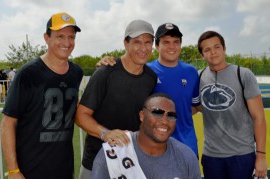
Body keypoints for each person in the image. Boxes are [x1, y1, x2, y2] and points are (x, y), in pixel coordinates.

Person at [97, 23, 201, 156]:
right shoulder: (145, 71)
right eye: (166, 42)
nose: (172, 46)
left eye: (176, 42)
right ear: (157, 46)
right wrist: (107, 62)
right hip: (154, 148)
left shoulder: (191, 72)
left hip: (188, 146)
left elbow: (194, 107)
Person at [1, 12, 83, 179]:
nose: (67, 42)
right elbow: (7, 123)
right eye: (60, 36)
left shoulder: (76, 72)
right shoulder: (28, 73)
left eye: (71, 37)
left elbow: (76, 111)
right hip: (30, 169)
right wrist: (13, 170)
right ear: (46, 38)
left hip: (64, 168)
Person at [75, 19, 157, 179]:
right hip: (97, 161)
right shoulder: (105, 73)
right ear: (126, 44)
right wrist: (105, 133)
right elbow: (80, 115)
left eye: (148, 42)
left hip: (131, 162)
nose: (143, 48)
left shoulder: (151, 78)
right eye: (136, 42)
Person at [197, 30, 268, 179]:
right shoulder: (199, 76)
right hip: (211, 156)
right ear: (202, 55)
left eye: (217, 47)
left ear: (224, 49)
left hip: (242, 154)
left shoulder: (243, 74)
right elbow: (195, 107)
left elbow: (259, 117)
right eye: (207, 49)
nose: (213, 52)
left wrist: (261, 155)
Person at [91, 93, 201, 179]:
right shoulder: (114, 152)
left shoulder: (186, 156)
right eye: (157, 113)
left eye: (171, 115)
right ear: (142, 116)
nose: (164, 121)